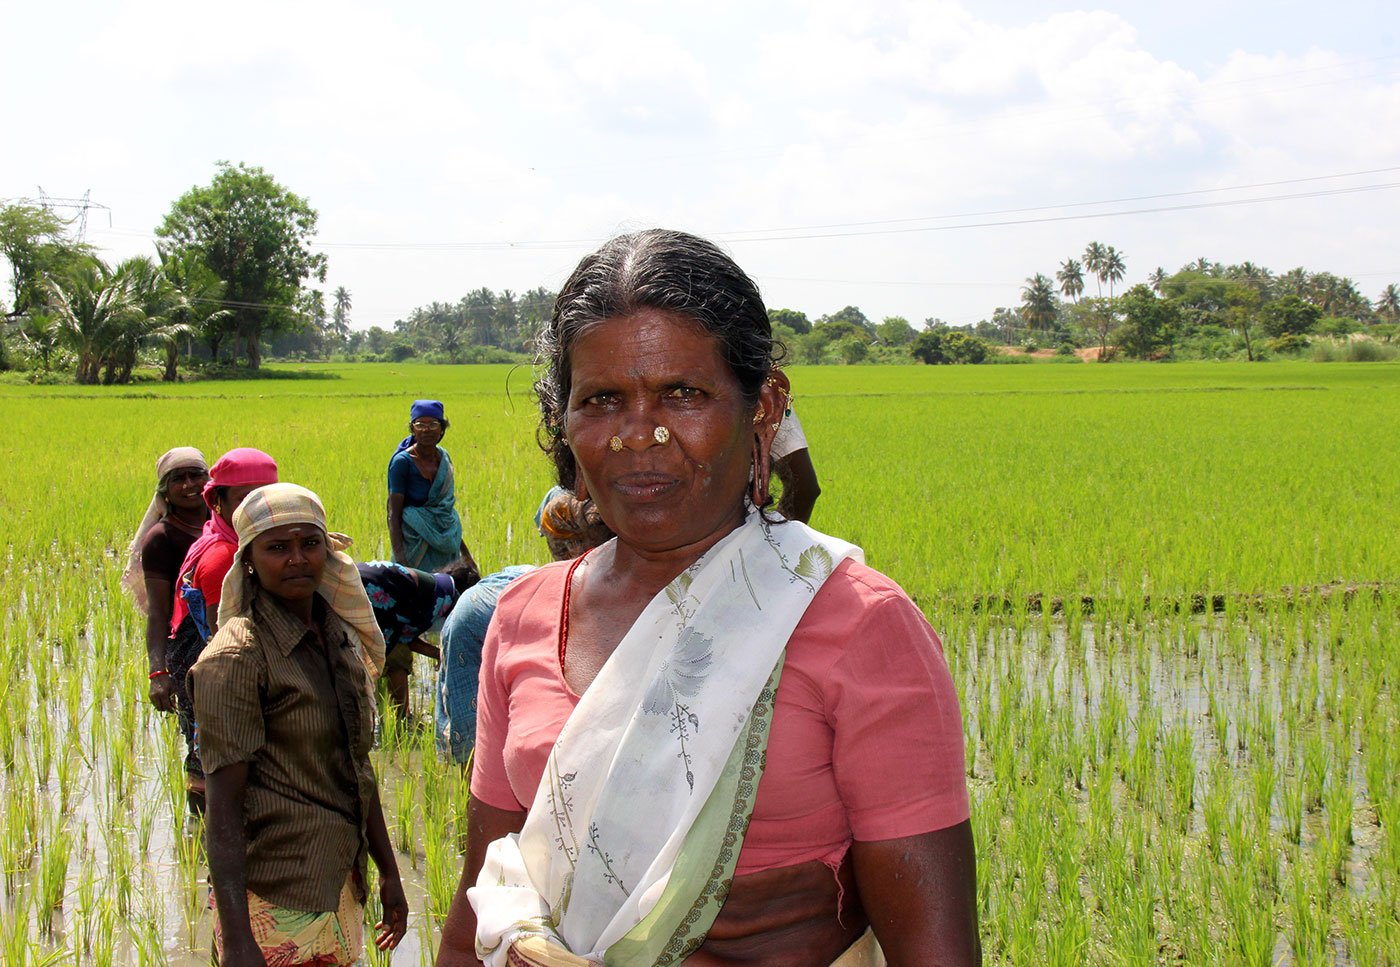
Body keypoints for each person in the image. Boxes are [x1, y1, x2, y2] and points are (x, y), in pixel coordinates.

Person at [436, 230, 977, 966]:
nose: (638, 436)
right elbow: (484, 897)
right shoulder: (522, 616)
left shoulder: (859, 625)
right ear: (563, 419)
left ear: (764, 407)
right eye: (601, 399)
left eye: (682, 394)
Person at [188, 482, 407, 966]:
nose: (296, 559)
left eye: (309, 543)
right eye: (277, 547)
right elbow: (221, 807)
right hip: (274, 901)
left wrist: (389, 872)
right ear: (248, 559)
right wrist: (238, 939)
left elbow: (358, 768)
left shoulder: (338, 637)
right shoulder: (237, 656)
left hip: (338, 886)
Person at [435, 489, 613, 765]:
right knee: (476, 741)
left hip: (487, 613)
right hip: (473, 628)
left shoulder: (573, 581)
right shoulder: (564, 588)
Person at [164, 447, 279, 807]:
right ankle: (204, 839)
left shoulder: (244, 542)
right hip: (210, 659)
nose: (255, 509)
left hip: (212, 652)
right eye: (245, 499)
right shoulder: (220, 557)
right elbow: (223, 635)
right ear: (219, 503)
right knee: (214, 756)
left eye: (264, 498)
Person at [122, 447, 210, 719]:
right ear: (165, 491)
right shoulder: (161, 538)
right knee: (202, 737)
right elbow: (158, 613)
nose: (189, 485)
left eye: (195, 475)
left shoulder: (225, 523)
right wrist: (158, 673)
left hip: (231, 635)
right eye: (178, 479)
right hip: (189, 646)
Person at [358, 555, 481, 721]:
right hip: (370, 590)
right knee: (394, 658)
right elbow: (406, 639)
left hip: (358, 579)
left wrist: (439, 654)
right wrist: (445, 653)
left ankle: (393, 716)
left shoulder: (435, 584)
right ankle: (400, 717)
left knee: (388, 653)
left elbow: (407, 636)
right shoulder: (444, 596)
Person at [388, 399, 468, 570]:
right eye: (420, 424)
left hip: (447, 547)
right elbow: (393, 515)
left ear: (441, 429)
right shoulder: (402, 463)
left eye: (433, 424)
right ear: (412, 429)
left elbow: (444, 512)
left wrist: (466, 555)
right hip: (414, 549)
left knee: (449, 593)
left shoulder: (444, 458)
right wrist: (402, 564)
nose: (426, 430)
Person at [771, 398, 821, 524]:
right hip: (746, 536)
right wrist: (777, 540)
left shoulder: (762, 391)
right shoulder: (759, 388)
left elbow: (804, 488)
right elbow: (804, 488)